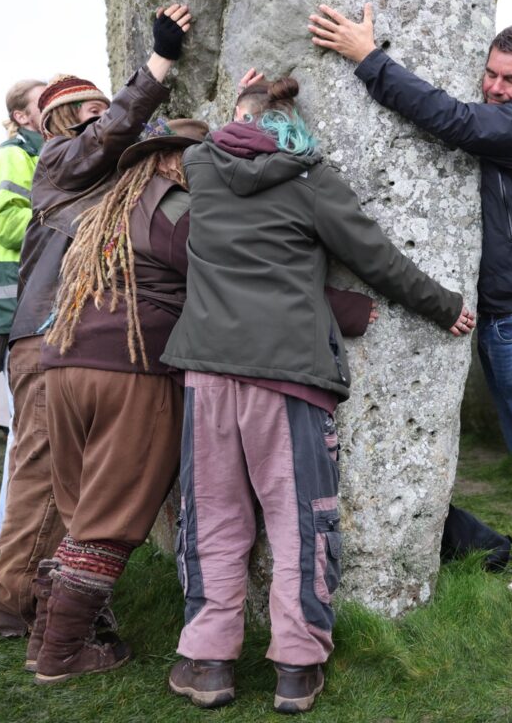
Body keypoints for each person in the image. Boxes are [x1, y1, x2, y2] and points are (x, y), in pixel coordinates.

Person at [161, 76, 472, 714]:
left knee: (211, 517)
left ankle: (207, 662)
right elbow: (377, 258)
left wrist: (249, 99)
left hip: (207, 374)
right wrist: (444, 307)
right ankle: (297, 669)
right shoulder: (311, 179)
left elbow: (227, 132)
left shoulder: (203, 167)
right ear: (297, 128)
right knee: (299, 522)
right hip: (288, 376)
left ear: (240, 118)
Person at [310, 4, 512, 615]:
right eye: (490, 74)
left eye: (511, 79)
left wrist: (368, 58)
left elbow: (454, 120)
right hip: (511, 316)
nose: (496, 88)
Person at [0, 3, 191, 650]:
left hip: (63, 338)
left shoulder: (93, 175)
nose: (109, 121)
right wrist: (159, 62)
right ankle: (24, 607)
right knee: (47, 482)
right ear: (65, 121)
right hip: (50, 336)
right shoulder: (60, 160)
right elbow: (113, 134)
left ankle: (51, 607)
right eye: (95, 112)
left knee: (68, 485)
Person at [0, 79, 46, 428]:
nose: (53, 104)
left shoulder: (37, 153)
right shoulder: (10, 156)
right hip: (13, 288)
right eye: (42, 101)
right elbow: (7, 225)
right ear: (21, 116)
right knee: (27, 414)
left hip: (25, 286)